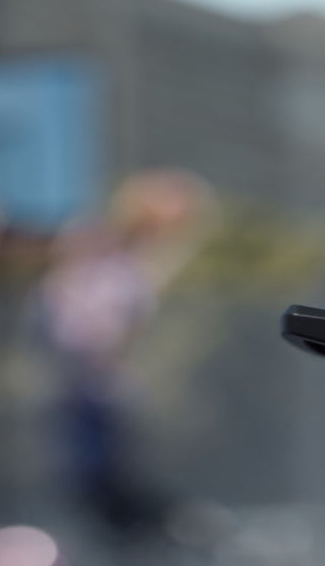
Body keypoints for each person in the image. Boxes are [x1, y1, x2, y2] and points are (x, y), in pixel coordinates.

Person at [30, 170, 214, 545]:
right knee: (94, 475)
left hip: (101, 382)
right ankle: (151, 531)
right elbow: (72, 306)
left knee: (111, 472)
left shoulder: (138, 266)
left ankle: (162, 531)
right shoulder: (100, 250)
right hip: (83, 378)